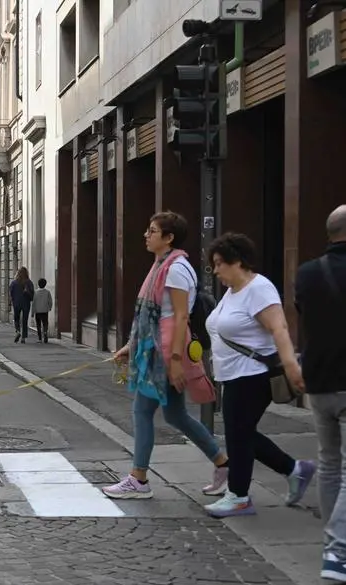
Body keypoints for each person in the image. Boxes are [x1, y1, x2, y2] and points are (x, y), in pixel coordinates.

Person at [102, 212, 229, 500]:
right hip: (158, 352)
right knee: (175, 415)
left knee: (142, 411)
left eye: (152, 231)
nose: (146, 235)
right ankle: (223, 463)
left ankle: (139, 478)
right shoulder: (162, 265)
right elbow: (154, 317)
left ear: (169, 238)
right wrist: (130, 347)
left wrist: (173, 363)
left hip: (165, 356)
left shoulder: (175, 269)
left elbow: (179, 317)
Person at [202, 232, 314, 518]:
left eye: (219, 264)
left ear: (237, 261)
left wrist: (290, 364)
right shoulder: (233, 290)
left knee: (238, 435)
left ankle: (238, 496)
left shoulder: (259, 289)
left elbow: (279, 328)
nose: (215, 271)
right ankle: (294, 469)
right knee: (242, 433)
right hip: (233, 375)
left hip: (253, 375)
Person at [295, 205, 346, 580]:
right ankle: (337, 551)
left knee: (329, 463)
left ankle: (334, 544)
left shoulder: (307, 272)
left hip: (319, 380)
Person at [9, 267, 35, 343]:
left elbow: (11, 293)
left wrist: (12, 301)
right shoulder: (29, 282)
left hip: (16, 303)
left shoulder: (14, 282)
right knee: (25, 320)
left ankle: (18, 331)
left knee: (16, 318)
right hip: (26, 303)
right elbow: (32, 295)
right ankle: (23, 337)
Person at [32, 278, 53, 343]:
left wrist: (32, 312)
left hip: (37, 311)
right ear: (45, 284)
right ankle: (45, 332)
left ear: (38, 284)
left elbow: (33, 303)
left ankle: (40, 339)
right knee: (45, 323)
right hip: (45, 310)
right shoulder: (47, 292)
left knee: (38, 325)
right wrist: (49, 307)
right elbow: (50, 301)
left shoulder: (35, 292)